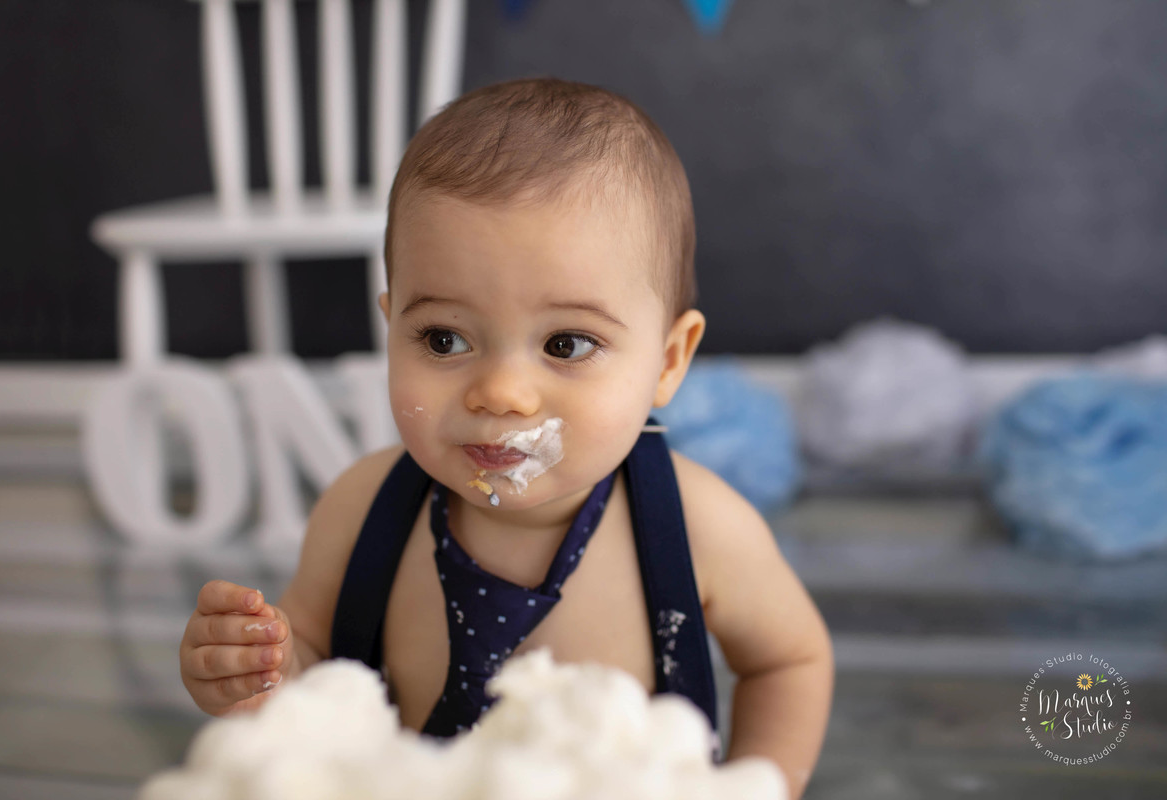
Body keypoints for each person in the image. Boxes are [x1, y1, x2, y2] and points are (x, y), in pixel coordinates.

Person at [179, 77, 833, 799]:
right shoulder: (361, 510)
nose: (501, 392)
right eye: (445, 337)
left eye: (567, 344)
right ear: (390, 327)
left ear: (668, 362)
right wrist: (258, 669)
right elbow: (309, 659)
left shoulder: (698, 527)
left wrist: (761, 783)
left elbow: (790, 661)